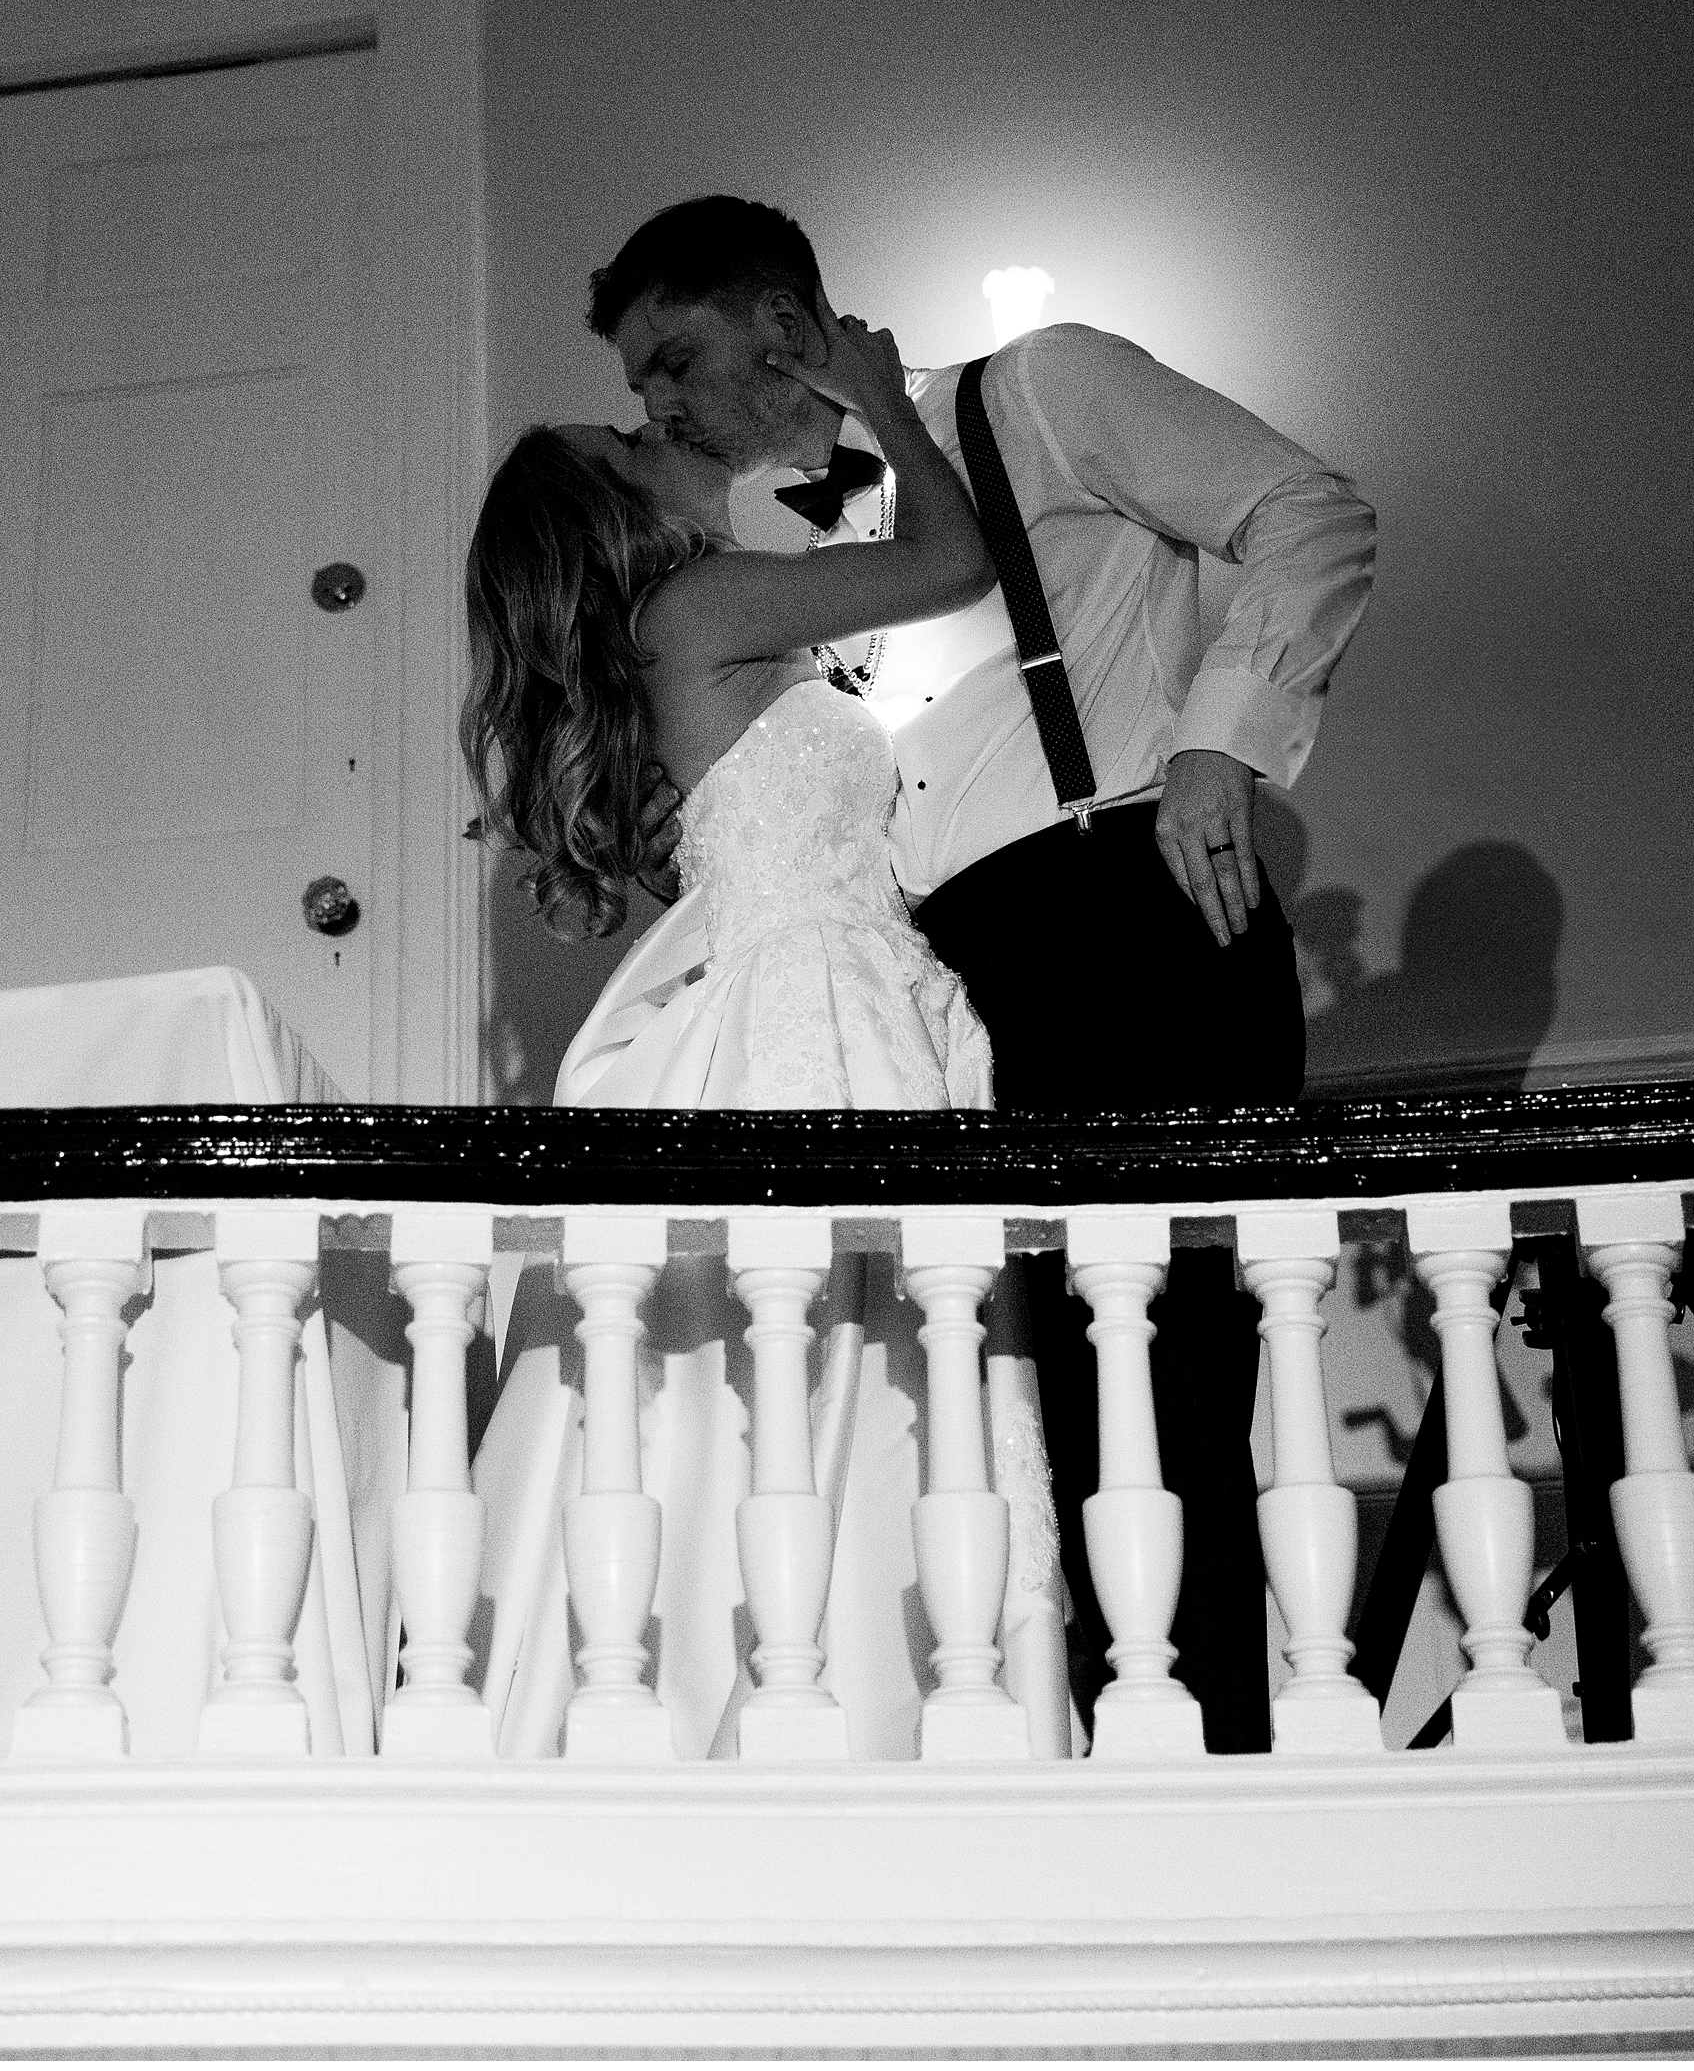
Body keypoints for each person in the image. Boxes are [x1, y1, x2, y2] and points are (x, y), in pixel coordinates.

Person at [575, 195, 1380, 1752]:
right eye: (640, 383)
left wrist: (1221, 742)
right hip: (954, 992)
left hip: (1128, 915)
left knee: (1171, 1390)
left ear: (783, 324)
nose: (657, 404)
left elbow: (1311, 509)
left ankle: (1213, 1780)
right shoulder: (786, 551)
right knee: (1032, 1424)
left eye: (674, 358)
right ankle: (1092, 1783)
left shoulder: (1039, 391)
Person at [461, 301, 1073, 1759]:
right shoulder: (701, 607)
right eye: (625, 439)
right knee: (846, 1348)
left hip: (843, 982)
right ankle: (842, 1690)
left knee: (841, 1349)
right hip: (817, 1007)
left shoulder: (699, 628)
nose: (655, 421)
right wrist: (881, 395)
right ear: (610, 514)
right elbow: (957, 561)